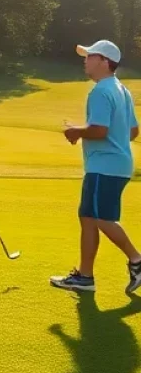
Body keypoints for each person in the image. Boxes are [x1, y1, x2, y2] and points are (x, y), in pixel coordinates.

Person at [51, 40, 141, 294]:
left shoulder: (101, 91)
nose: (85, 60)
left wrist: (76, 131)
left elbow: (100, 130)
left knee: (103, 218)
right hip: (111, 164)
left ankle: (137, 261)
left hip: (105, 166)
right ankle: (85, 277)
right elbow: (133, 130)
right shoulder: (120, 89)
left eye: (91, 56)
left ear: (104, 62)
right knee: (88, 217)